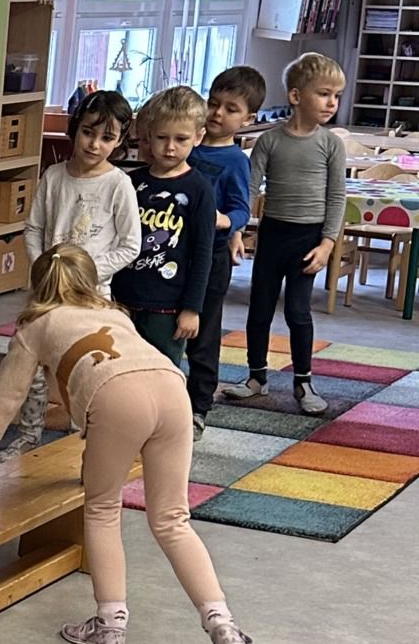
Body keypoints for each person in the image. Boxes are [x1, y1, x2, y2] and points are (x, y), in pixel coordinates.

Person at [0, 245, 263, 644]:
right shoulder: (115, 314)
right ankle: (224, 626)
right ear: (90, 281)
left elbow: (4, 399)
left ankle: (109, 625)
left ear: (37, 287)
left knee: (102, 509)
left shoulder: (35, 326)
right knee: (173, 519)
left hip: (117, 398)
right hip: (172, 388)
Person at [0, 89, 141, 465]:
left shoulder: (118, 185)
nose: (95, 144)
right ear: (75, 129)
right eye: (88, 133)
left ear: (120, 141)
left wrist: (82, 275)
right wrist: (44, 270)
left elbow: (130, 246)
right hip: (46, 295)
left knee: (85, 368)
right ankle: (28, 434)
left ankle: (86, 438)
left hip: (91, 298)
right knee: (30, 366)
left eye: (107, 137)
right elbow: (33, 229)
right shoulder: (54, 176)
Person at [227, 53, 348, 415]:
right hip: (273, 235)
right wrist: (237, 231)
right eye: (324, 94)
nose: (332, 103)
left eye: (336, 96)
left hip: (308, 239)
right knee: (260, 308)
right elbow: (249, 189)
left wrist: (327, 244)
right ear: (296, 96)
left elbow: (337, 196)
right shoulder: (269, 141)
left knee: (298, 311)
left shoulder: (331, 144)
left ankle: (303, 381)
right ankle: (256, 376)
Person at [112, 85, 215, 370]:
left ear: (198, 137)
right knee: (119, 367)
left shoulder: (199, 189)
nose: (170, 147)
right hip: (123, 297)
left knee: (162, 371)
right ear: (149, 136)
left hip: (168, 306)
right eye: (161, 138)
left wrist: (192, 309)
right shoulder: (130, 182)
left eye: (181, 139)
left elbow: (202, 253)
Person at [187, 65, 261, 433]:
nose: (217, 113)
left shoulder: (236, 161)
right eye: (213, 103)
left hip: (212, 257)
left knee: (204, 331)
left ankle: (198, 406)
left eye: (231, 109)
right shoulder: (187, 145)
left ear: (248, 119)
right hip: (173, 250)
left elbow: (242, 210)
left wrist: (225, 223)